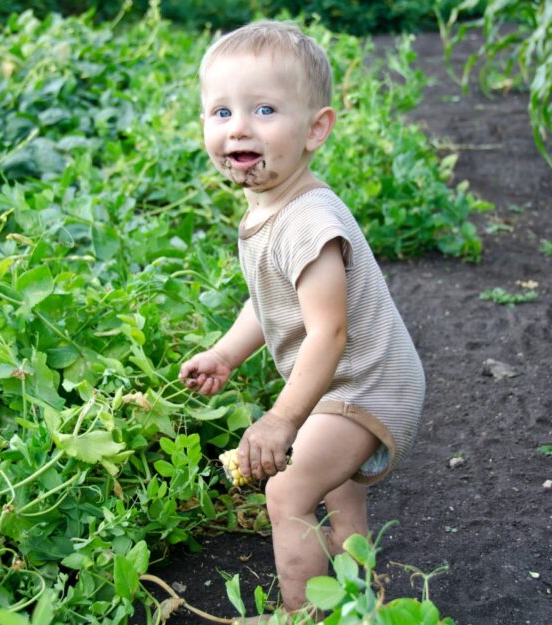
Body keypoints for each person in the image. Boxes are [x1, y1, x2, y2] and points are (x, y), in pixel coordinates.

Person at [179, 20, 425, 622]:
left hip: (364, 384)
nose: (238, 126)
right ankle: (356, 604)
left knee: (287, 489)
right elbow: (270, 302)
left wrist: (281, 420)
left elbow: (328, 331)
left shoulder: (309, 220)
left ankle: (303, 615)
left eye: (264, 109)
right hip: (345, 381)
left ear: (316, 129)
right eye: (221, 111)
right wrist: (226, 354)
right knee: (340, 502)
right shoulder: (268, 206)